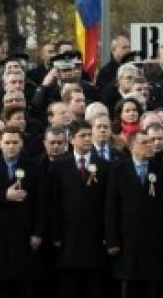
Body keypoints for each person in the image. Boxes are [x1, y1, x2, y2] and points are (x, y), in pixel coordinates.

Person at [105, 129, 163, 298]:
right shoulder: (118, 169)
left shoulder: (162, 171)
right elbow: (111, 207)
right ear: (131, 146)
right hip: (127, 241)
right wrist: (112, 240)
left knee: (152, 287)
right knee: (129, 287)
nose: (151, 146)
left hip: (154, 241)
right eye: (145, 143)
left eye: (151, 142)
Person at [0, 127, 43, 298]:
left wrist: (37, 233)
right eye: (7, 142)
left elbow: (41, 203)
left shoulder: (34, 168)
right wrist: (4, 196)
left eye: (15, 142)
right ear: (0, 144)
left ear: (21, 144)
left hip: (24, 234)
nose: (11, 146)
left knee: (24, 284)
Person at [50, 119, 110, 298]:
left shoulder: (104, 166)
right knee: (68, 287)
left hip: (94, 238)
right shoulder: (59, 166)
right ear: (71, 140)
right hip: (67, 238)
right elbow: (54, 202)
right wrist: (55, 235)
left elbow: (108, 203)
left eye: (89, 135)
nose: (87, 139)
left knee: (94, 287)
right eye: (82, 136)